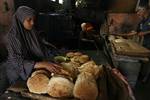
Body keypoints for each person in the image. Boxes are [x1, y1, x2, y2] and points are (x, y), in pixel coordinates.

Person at [4, 6, 63, 85]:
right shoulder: (12, 37)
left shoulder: (31, 31)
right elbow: (16, 61)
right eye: (29, 20)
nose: (32, 23)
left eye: (33, 19)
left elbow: (41, 47)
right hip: (17, 72)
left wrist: (51, 58)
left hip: (32, 68)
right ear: (21, 20)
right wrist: (42, 64)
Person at [135, 5, 150, 82]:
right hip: (145, 43)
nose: (138, 12)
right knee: (142, 60)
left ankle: (146, 78)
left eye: (140, 10)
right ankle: (140, 74)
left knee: (148, 62)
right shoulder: (143, 20)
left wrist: (145, 33)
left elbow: (143, 32)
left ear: (145, 10)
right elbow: (138, 31)